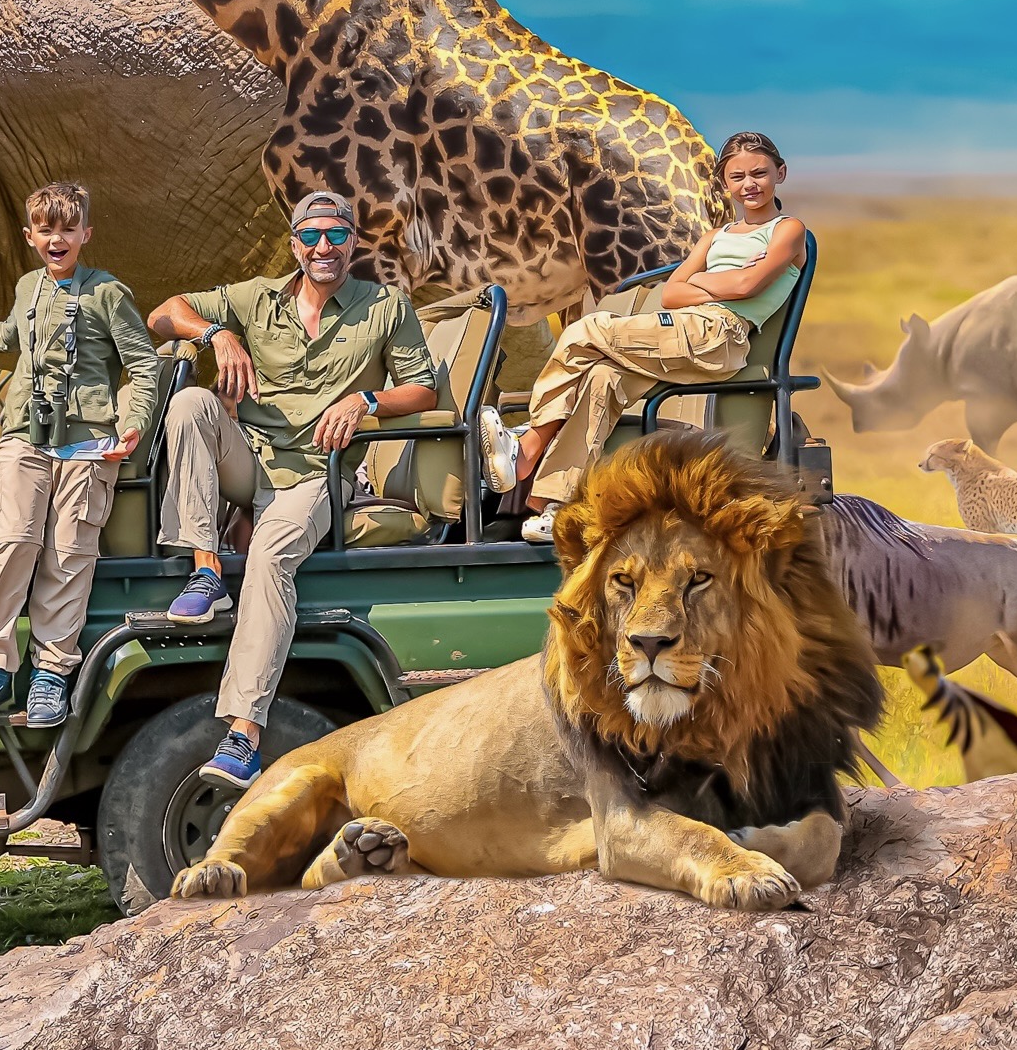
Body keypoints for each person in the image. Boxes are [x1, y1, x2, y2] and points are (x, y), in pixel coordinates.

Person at [145, 191, 438, 790]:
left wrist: (366, 400)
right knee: (192, 403)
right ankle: (205, 571)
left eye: (336, 236)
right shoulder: (255, 297)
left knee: (272, 552)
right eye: (311, 236)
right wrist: (215, 337)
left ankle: (242, 734)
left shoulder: (385, 305)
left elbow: (424, 391)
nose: (323, 247)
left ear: (354, 242)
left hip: (319, 472)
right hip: (250, 459)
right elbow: (161, 314)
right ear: (295, 244)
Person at [0, 181, 160, 732]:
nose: (57, 239)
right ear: (30, 237)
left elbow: (143, 365)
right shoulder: (27, 287)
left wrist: (133, 422)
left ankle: (52, 671)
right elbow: (6, 335)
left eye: (68, 230)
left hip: (90, 440)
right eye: (46, 230)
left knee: (70, 553)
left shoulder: (109, 294)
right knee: (14, 542)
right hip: (24, 432)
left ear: (86, 235)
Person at [509, 131, 808, 539]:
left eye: (759, 173)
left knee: (586, 329)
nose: (749, 185)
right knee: (602, 380)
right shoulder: (715, 237)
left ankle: (529, 443)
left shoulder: (787, 230)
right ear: (724, 183)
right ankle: (554, 502)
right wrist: (725, 278)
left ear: (781, 173)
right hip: (685, 331)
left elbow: (745, 290)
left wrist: (708, 281)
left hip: (718, 335)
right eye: (737, 177)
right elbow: (671, 294)